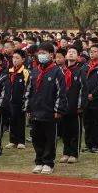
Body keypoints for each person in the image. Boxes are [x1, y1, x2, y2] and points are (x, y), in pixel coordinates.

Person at [26, 42, 67, 174]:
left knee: (49, 138)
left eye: (44, 53)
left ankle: (48, 162)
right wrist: (27, 107)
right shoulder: (35, 71)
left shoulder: (56, 71)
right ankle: (39, 161)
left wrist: (58, 110)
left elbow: (61, 92)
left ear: (51, 55)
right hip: (36, 111)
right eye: (40, 53)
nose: (41, 55)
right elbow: (29, 90)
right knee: (36, 137)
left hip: (49, 112)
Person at [0, 50, 29, 149]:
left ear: (23, 59)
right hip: (10, 101)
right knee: (12, 120)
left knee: (20, 121)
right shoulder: (10, 71)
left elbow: (27, 86)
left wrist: (25, 100)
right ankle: (12, 140)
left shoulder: (25, 72)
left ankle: (21, 141)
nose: (15, 60)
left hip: (20, 101)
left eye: (17, 58)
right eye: (13, 58)